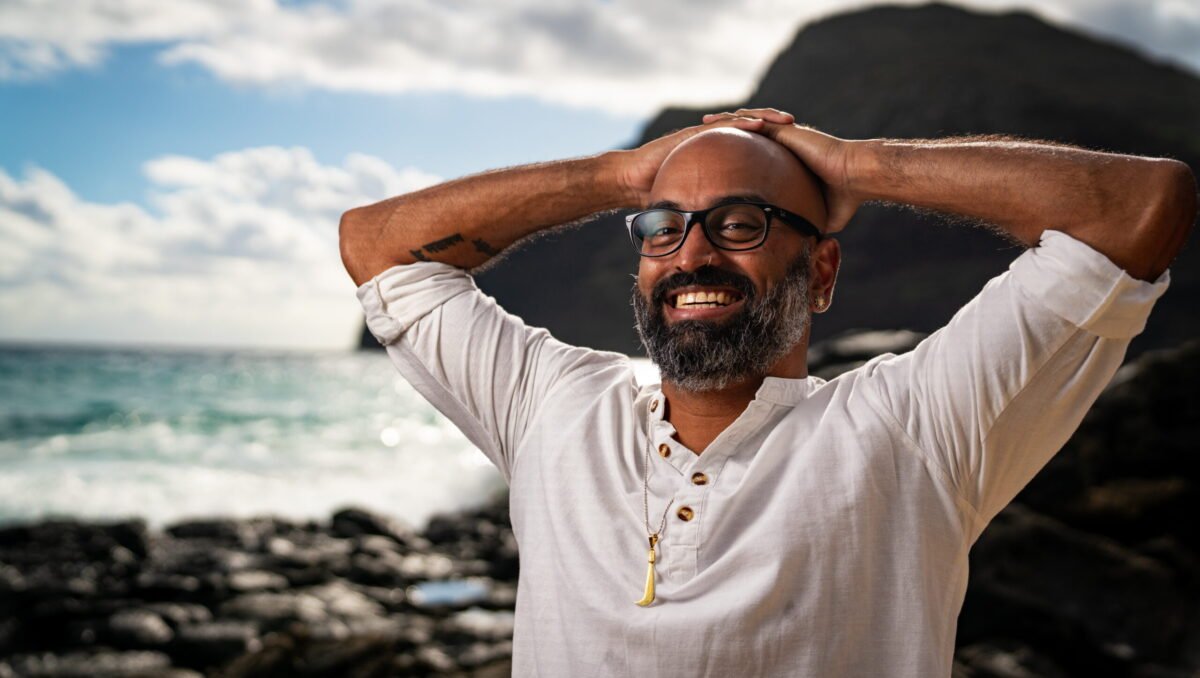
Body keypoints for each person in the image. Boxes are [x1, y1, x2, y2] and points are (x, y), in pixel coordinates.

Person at [339, 107, 1193, 676]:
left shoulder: (914, 428)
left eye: (741, 223)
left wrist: (860, 166)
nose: (692, 254)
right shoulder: (551, 404)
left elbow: (1141, 207)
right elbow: (375, 243)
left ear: (821, 271)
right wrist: (624, 175)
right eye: (662, 228)